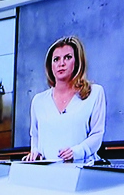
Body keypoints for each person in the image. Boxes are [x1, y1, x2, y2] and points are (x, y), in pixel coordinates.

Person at [24, 35, 105, 163]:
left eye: (67, 58)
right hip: (48, 174)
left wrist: (77, 152)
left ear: (77, 62)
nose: (61, 64)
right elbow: (36, 137)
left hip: (82, 171)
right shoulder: (38, 101)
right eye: (56, 59)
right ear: (50, 65)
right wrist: (36, 153)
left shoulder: (94, 93)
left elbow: (97, 135)